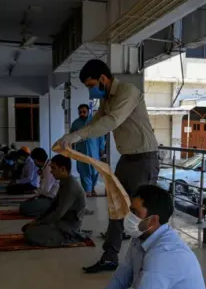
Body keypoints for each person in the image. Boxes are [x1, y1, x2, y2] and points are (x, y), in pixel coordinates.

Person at [54, 59, 160, 274]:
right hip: (127, 159)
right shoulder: (106, 100)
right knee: (115, 206)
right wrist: (71, 137)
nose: (91, 90)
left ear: (103, 78)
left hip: (144, 158)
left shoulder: (128, 92)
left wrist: (75, 135)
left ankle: (150, 262)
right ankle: (110, 256)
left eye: (91, 85)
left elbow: (111, 121)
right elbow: (95, 123)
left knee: (142, 212)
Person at [22, 155, 86, 247]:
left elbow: (58, 213)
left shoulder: (70, 186)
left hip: (68, 226)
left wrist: (40, 223)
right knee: (28, 229)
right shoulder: (64, 181)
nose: (51, 171)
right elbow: (53, 206)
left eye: (53, 168)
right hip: (61, 221)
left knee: (30, 233)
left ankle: (69, 239)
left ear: (63, 169)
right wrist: (37, 220)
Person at [71, 104, 106, 196]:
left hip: (94, 151)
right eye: (80, 112)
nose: (82, 113)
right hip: (81, 152)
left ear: (88, 111)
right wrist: (72, 150)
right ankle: (88, 191)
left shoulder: (94, 122)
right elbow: (71, 138)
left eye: (84, 112)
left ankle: (93, 188)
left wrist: (102, 150)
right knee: (84, 172)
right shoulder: (75, 124)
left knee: (95, 172)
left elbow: (101, 137)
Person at [19, 148, 59, 217]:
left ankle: (49, 211)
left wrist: (37, 196)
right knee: (24, 205)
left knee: (24, 207)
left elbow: (46, 190)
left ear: (36, 160)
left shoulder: (48, 169)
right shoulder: (46, 166)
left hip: (51, 199)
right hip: (46, 196)